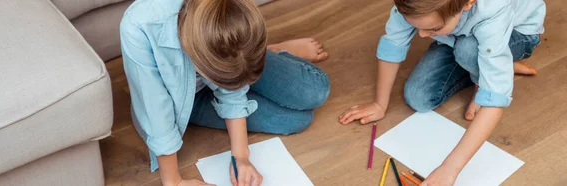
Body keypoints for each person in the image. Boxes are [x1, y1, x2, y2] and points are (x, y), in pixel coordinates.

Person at [120, 0, 330, 185]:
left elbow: (233, 91)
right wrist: (173, 181)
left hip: (235, 54)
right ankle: (248, 63)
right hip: (184, 100)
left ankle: (255, 57)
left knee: (316, 90)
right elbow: (157, 114)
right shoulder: (139, 25)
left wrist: (241, 156)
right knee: (297, 120)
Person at [339, 0, 545, 185]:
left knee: (468, 51)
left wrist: (449, 169)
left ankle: (492, 72)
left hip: (516, 34)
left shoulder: (493, 9)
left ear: (468, 3)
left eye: (432, 28)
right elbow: (394, 42)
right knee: (418, 97)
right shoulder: (414, 3)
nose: (420, 35)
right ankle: (494, 68)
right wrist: (379, 104)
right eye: (415, 26)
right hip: (458, 36)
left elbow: (494, 104)